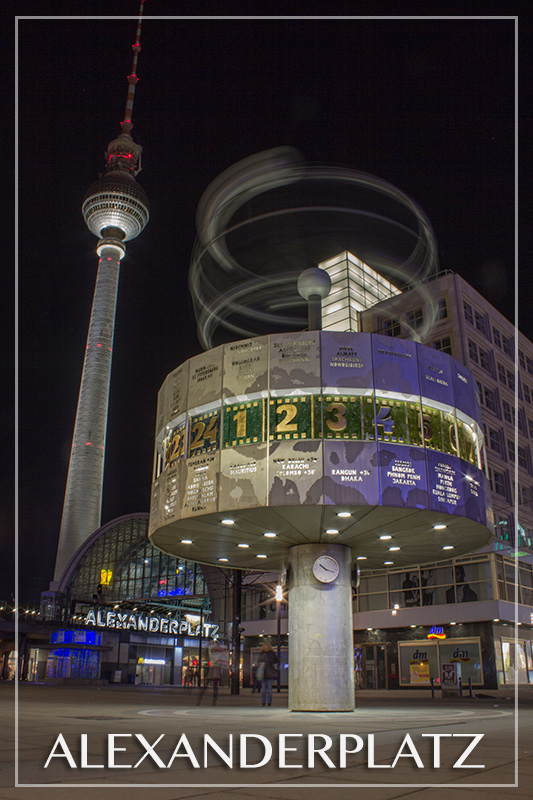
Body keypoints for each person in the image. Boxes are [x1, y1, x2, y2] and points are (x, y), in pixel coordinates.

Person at [256, 640, 278, 707]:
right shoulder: (263, 653)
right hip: (264, 673)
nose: (265, 646)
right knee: (264, 689)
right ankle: (264, 701)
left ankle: (269, 702)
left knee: (269, 689)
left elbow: (276, 661)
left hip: (269, 673)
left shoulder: (271, 653)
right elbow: (258, 661)